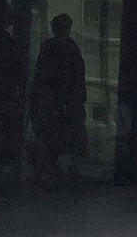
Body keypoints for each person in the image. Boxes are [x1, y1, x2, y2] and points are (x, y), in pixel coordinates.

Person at [28, 12, 87, 185]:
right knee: (54, 135)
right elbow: (42, 75)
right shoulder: (56, 48)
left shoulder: (68, 48)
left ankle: (62, 168)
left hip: (64, 101)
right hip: (54, 100)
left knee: (65, 136)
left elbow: (77, 76)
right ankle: (55, 167)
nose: (66, 30)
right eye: (64, 27)